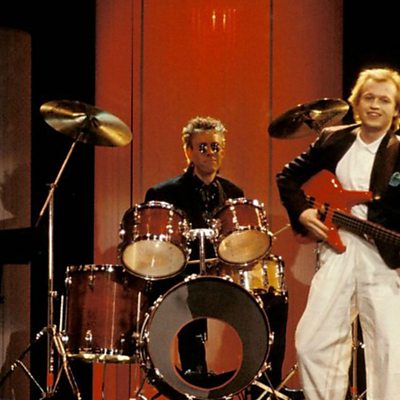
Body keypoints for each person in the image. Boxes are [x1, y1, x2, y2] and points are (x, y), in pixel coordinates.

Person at [276, 67, 400, 400]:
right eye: (369, 98)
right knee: (312, 342)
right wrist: (302, 211)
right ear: (356, 102)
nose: (375, 105)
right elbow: (287, 177)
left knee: (390, 352)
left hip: (382, 258)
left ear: (395, 110)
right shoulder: (333, 139)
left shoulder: (398, 151)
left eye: (384, 100)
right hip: (338, 250)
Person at [144, 116, 289, 396]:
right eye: (203, 147)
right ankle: (195, 382)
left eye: (216, 147)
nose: (210, 153)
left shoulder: (233, 193)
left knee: (274, 299)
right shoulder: (164, 193)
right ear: (188, 151)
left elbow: (241, 245)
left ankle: (263, 385)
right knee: (190, 299)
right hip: (184, 280)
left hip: (224, 280)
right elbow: (158, 251)